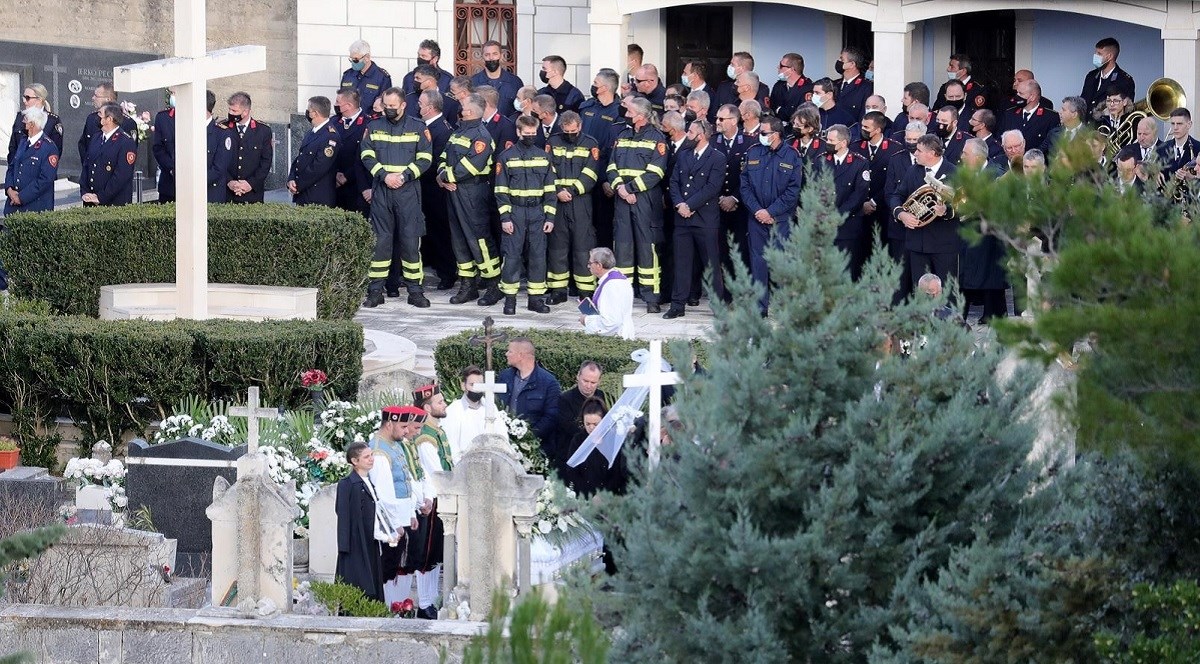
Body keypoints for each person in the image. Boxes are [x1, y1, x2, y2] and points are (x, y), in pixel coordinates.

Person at [359, 87, 434, 308]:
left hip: (408, 191)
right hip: (382, 191)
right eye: (386, 106)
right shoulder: (373, 126)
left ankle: (415, 291)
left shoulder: (418, 127)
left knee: (411, 242)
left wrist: (403, 176)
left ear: (403, 105)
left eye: (393, 106)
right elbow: (366, 154)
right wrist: (384, 175)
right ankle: (375, 291)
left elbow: (425, 158)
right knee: (380, 243)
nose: (388, 110)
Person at [438, 93, 501, 306]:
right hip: (454, 191)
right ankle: (468, 285)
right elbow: (444, 156)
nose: (459, 108)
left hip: (473, 193)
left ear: (471, 111)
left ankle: (493, 284)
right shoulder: (458, 131)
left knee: (479, 239)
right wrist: (441, 176)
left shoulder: (482, 136)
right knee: (459, 239)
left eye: (463, 106)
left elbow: (471, 167)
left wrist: (446, 176)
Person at [608, 97, 668, 313]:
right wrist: (621, 189)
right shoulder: (622, 135)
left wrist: (631, 189)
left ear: (640, 116)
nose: (626, 113)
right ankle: (623, 295)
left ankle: (651, 297)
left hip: (645, 200)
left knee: (646, 248)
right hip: (623, 199)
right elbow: (611, 166)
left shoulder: (657, 138)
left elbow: (657, 172)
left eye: (629, 111)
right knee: (622, 247)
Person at [493, 115, 556, 315]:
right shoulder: (506, 156)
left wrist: (550, 218)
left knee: (538, 257)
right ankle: (509, 300)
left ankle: (535, 299)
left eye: (533, 134)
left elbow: (550, 190)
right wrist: (505, 218)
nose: (530, 136)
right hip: (515, 213)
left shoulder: (544, 156)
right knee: (511, 256)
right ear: (518, 133)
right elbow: (500, 190)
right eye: (526, 134)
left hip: (538, 213)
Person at [741, 115, 803, 316]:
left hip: (780, 220)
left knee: (782, 264)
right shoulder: (753, 152)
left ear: (776, 134)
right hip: (756, 218)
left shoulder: (792, 155)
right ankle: (760, 308)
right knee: (758, 263)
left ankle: (785, 307)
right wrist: (758, 211)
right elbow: (745, 186)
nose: (760, 136)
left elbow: (793, 191)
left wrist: (771, 212)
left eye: (764, 133)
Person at [665, 118, 725, 318]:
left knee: (711, 264)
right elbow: (674, 182)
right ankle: (677, 305)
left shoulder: (717, 157)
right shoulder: (683, 156)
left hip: (705, 219)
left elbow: (712, 187)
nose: (687, 135)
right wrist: (679, 204)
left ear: (701, 135)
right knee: (681, 263)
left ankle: (717, 306)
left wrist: (689, 205)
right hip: (682, 219)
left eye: (691, 132)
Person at [367, 406, 427, 607]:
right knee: (388, 563)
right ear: (389, 423)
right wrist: (394, 524)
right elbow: (384, 493)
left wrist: (410, 513)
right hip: (389, 519)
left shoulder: (395, 443)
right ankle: (385, 605)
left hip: (402, 513)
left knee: (399, 561)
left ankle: (397, 604)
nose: (406, 431)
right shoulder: (379, 450)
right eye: (402, 426)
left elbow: (407, 479)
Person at [890, 134, 961, 287]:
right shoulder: (913, 170)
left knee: (947, 291)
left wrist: (945, 211)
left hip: (944, 245)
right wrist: (901, 214)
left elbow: (963, 206)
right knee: (921, 291)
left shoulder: (954, 172)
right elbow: (897, 195)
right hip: (918, 243)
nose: (915, 153)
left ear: (932, 153)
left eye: (919, 150)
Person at [547, 110, 601, 303]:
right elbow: (548, 170)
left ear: (579, 127)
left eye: (573, 130)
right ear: (561, 128)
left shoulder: (590, 143)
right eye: (566, 130)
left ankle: (585, 291)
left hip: (580, 201)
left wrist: (572, 191)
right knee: (557, 246)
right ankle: (558, 291)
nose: (570, 133)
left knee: (582, 246)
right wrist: (559, 190)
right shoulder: (552, 142)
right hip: (557, 200)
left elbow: (591, 173)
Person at [411, 384, 454, 620]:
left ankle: (431, 600)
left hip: (442, 498)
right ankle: (425, 603)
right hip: (433, 500)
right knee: (427, 556)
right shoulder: (426, 436)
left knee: (436, 554)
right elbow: (435, 472)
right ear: (427, 407)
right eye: (440, 402)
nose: (444, 404)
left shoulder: (437, 430)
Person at [414, 90, 458, 294]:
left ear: (430, 107)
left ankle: (447, 273)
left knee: (441, 232)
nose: (418, 105)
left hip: (435, 189)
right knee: (429, 231)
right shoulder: (426, 127)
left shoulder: (441, 130)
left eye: (421, 103)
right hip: (424, 188)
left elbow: (435, 161)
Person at [816, 123, 871, 280]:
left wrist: (838, 215)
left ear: (843, 143)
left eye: (831, 140)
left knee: (847, 268)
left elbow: (859, 194)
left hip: (848, 224)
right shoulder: (821, 160)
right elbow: (814, 187)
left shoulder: (859, 163)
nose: (827, 142)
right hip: (824, 222)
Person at [335, 442, 386, 603]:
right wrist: (344, 547)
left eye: (371, 455)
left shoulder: (369, 481)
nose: (371, 459)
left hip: (370, 540)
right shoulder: (347, 484)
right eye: (366, 457)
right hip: (355, 543)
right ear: (355, 461)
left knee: (373, 578)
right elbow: (342, 513)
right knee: (358, 581)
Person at [497, 337, 561, 444]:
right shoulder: (505, 376)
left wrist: (529, 436)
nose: (506, 354)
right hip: (504, 441)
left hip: (534, 445)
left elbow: (551, 417)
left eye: (510, 351)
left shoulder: (549, 383)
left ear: (521, 355)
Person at [4, 107, 59, 217]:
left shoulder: (49, 147)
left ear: (32, 124)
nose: (23, 123)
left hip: (34, 208)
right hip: (13, 207)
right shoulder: (24, 142)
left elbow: (45, 179)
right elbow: (12, 166)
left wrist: (21, 197)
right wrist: (9, 189)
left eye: (25, 120)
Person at [81, 102, 137, 207]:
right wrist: (85, 191)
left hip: (113, 203)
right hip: (90, 200)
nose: (97, 117)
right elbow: (87, 165)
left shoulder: (125, 142)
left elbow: (121, 176)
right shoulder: (96, 137)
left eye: (100, 114)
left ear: (109, 119)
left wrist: (100, 197)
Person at [287, 96, 340, 206]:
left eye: (308, 110)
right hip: (304, 194)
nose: (307, 113)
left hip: (318, 197)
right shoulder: (312, 132)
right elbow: (300, 158)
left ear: (314, 113)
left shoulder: (330, 136)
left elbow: (319, 167)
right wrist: (291, 178)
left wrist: (298, 184)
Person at [222, 91, 273, 203]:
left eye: (234, 111)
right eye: (229, 109)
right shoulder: (223, 128)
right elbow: (219, 160)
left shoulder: (263, 131)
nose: (230, 113)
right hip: (227, 192)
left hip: (252, 193)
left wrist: (250, 183)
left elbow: (265, 162)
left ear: (245, 111)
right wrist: (230, 182)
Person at [332, 89, 372, 217]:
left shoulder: (368, 124)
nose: (335, 104)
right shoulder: (333, 122)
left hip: (356, 186)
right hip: (334, 184)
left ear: (348, 105)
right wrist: (336, 173)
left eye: (338, 101)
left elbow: (365, 157)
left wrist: (347, 176)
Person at [580, 247, 635, 338]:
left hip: (616, 338)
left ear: (599, 265)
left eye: (590, 263)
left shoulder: (611, 285)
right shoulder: (616, 278)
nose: (588, 266)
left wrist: (586, 320)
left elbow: (610, 323)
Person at [7, 83, 63, 165]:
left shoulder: (52, 121)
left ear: (39, 99)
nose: (24, 101)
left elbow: (56, 151)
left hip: (40, 171)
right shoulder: (20, 117)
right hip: (19, 171)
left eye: (27, 98)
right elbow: (13, 147)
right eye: (24, 97)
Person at [84, 83, 138, 167]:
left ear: (108, 99)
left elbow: (129, 153)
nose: (93, 98)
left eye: (96, 96)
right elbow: (84, 146)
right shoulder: (91, 119)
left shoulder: (127, 123)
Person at [1000, 79, 1060, 154]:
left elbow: (1051, 146)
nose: (1017, 96)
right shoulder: (1009, 114)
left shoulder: (1050, 117)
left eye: (1021, 93)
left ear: (1032, 97)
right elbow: (1001, 139)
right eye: (1017, 93)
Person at [441, 365, 487, 462]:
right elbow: (451, 446)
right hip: (465, 467)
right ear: (463, 385)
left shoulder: (491, 408)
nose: (477, 389)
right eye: (472, 384)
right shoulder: (453, 411)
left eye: (480, 385)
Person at [1082, 37, 1135, 119]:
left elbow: (1126, 111)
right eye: (1095, 53)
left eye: (1099, 54)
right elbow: (1083, 104)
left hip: (1107, 129)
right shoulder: (1091, 76)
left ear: (1109, 56)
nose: (1095, 56)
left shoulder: (1125, 80)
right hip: (1086, 130)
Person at [470, 40, 524, 117]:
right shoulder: (473, 82)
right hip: (482, 127)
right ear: (482, 57)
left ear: (501, 56)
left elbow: (521, 109)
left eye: (495, 54)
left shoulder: (515, 82)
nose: (491, 58)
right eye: (487, 55)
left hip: (507, 127)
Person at [340, 40, 392, 114]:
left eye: (355, 60)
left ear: (367, 57)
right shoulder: (347, 75)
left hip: (371, 123)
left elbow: (386, 106)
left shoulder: (382, 78)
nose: (352, 63)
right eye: (351, 59)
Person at [202, 90, 234, 203]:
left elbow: (219, 167)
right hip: (187, 191)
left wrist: (197, 182)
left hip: (211, 193)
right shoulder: (186, 128)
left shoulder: (222, 133)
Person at [771, 53, 813, 125]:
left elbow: (800, 114)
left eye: (781, 66)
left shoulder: (808, 87)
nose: (778, 67)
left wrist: (779, 110)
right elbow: (772, 109)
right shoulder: (778, 86)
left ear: (792, 69)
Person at [833, 47, 873, 120]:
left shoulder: (866, 87)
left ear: (852, 64)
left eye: (842, 59)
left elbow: (863, 116)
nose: (839, 61)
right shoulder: (834, 84)